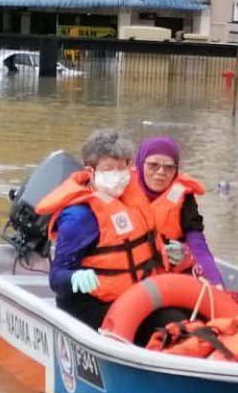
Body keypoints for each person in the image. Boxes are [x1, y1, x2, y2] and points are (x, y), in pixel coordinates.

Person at [37, 131, 163, 329]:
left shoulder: (132, 199)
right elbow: (57, 277)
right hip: (90, 305)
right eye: (109, 169)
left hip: (134, 298)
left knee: (178, 320)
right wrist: (74, 277)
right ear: (91, 171)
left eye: (121, 168)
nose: (117, 175)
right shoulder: (80, 217)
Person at [135, 136, 224, 287]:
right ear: (140, 164)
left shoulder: (184, 198)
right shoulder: (119, 189)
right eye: (153, 165)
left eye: (169, 167)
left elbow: (198, 244)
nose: (161, 172)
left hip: (170, 277)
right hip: (131, 277)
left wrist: (216, 283)